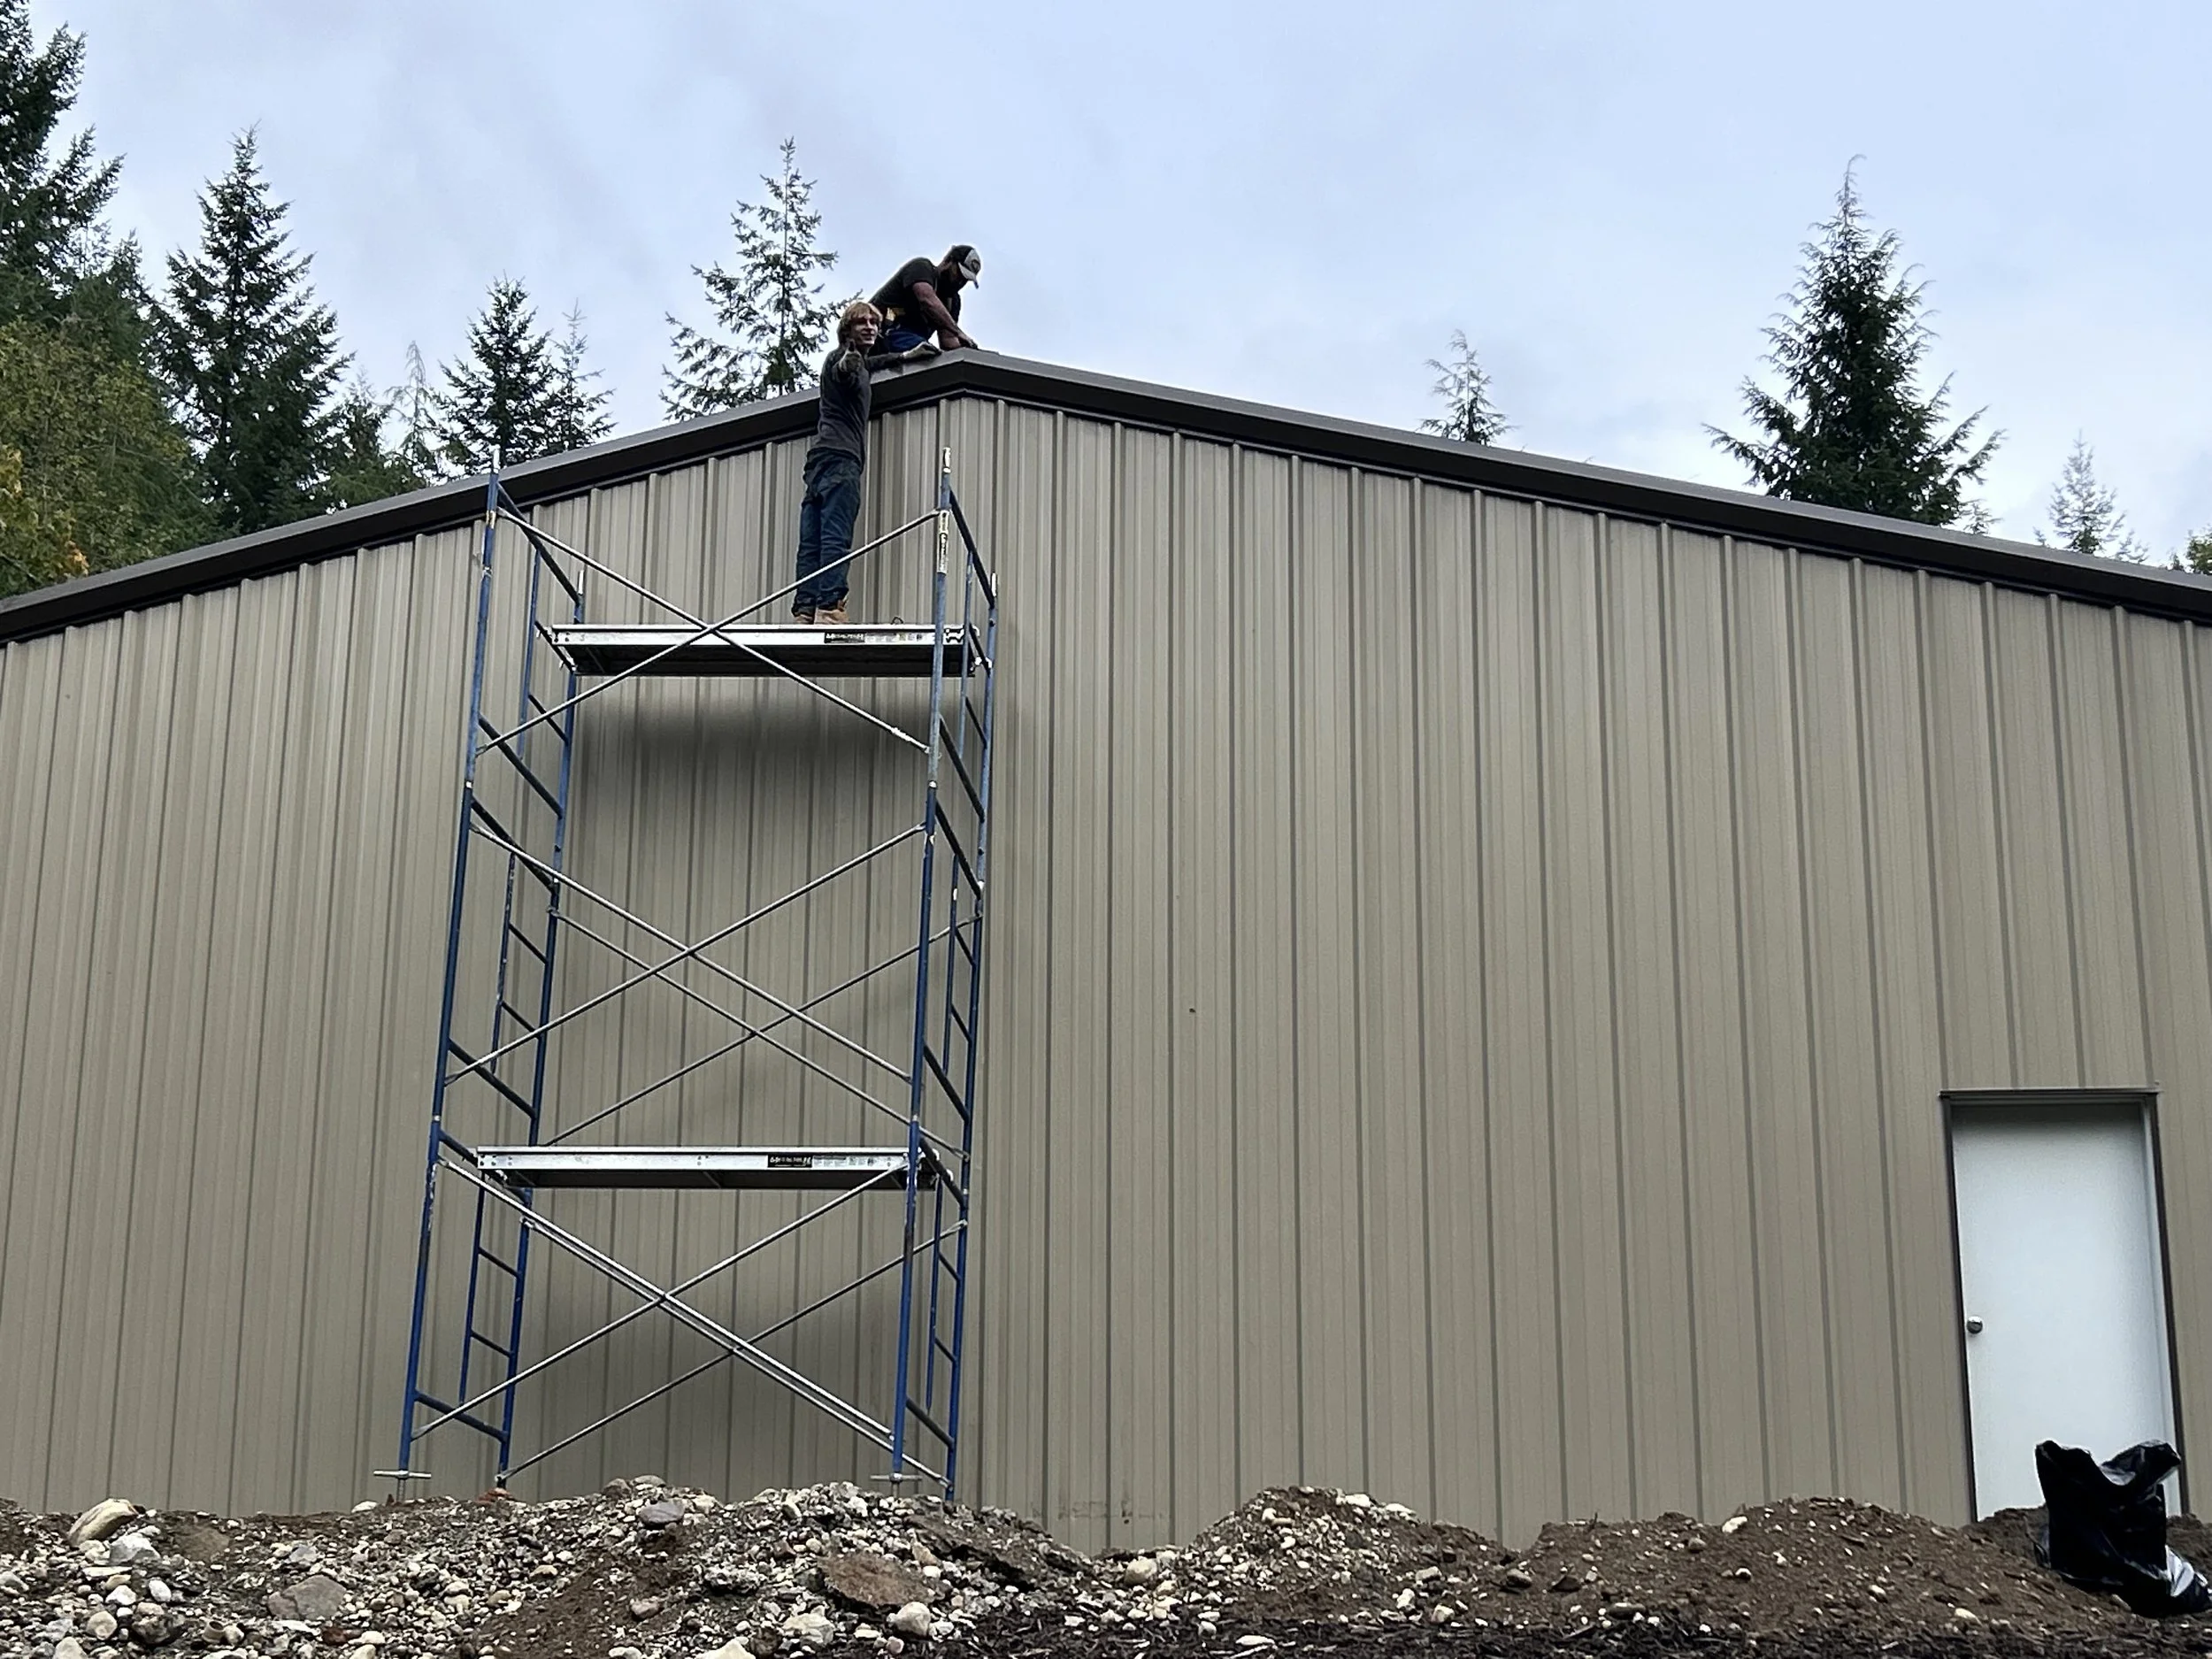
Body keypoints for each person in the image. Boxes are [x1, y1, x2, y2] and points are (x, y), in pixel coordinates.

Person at [794, 301, 936, 625]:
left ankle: (805, 610)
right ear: (848, 330)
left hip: (818, 460)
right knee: (835, 536)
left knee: (811, 540)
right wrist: (849, 361)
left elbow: (871, 364)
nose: (871, 327)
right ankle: (830, 606)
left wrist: (903, 356)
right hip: (842, 459)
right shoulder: (845, 360)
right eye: (862, 323)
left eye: (874, 322)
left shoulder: (861, 364)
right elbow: (845, 371)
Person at [870, 245, 982, 354]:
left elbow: (948, 340)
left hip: (913, 342)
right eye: (959, 274)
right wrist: (958, 331)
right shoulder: (922, 268)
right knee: (926, 353)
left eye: (966, 280)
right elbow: (926, 299)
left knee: (929, 354)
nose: (960, 282)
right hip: (881, 333)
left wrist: (969, 352)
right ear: (949, 261)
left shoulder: (952, 301)